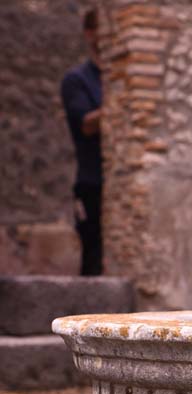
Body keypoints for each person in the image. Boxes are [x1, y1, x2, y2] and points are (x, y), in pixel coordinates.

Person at [61, 9, 103, 276]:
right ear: (90, 34)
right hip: (92, 182)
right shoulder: (77, 80)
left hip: (118, 182)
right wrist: (119, 103)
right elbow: (86, 124)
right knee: (93, 255)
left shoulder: (111, 77)